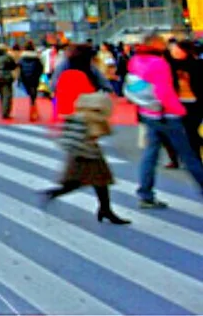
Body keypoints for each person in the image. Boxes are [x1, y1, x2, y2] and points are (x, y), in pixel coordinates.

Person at [128, 35, 203, 208]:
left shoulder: (136, 60)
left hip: (147, 110)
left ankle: (145, 193)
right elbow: (164, 92)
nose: (167, 46)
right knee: (188, 154)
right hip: (166, 113)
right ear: (155, 44)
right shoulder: (159, 63)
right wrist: (179, 110)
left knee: (151, 153)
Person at [43, 91, 130, 225]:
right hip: (87, 154)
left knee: (100, 181)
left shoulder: (78, 116)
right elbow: (104, 132)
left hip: (83, 152)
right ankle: (54, 193)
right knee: (84, 181)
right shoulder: (93, 118)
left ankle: (105, 209)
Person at [167, 40, 203, 160]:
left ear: (185, 51)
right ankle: (193, 155)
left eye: (178, 49)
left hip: (195, 103)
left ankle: (196, 156)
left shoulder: (197, 65)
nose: (175, 52)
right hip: (180, 102)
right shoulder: (172, 65)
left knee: (191, 131)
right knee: (188, 132)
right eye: (174, 49)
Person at [18, 41, 44, 122]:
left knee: (30, 94)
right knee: (34, 95)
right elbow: (41, 68)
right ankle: (33, 111)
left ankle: (33, 111)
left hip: (25, 78)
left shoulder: (22, 58)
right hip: (34, 78)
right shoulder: (36, 58)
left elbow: (20, 68)